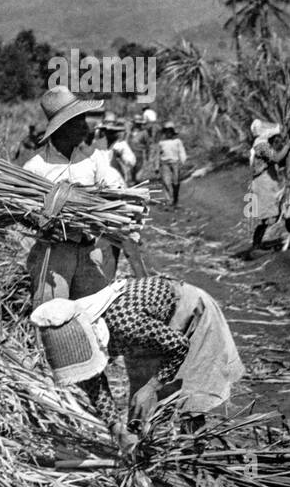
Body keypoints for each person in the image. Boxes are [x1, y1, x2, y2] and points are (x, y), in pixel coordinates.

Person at [31, 276, 244, 455]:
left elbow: (179, 345)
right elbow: (93, 381)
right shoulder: (83, 333)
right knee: (141, 408)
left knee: (190, 397)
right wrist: (115, 427)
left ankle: (194, 453)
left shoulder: (124, 324)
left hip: (189, 316)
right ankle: (145, 453)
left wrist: (152, 386)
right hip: (150, 330)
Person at [22, 87, 128, 306]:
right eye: (77, 121)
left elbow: (114, 191)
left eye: (83, 119)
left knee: (94, 313)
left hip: (89, 251)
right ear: (61, 128)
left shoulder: (94, 159)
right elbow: (24, 213)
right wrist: (42, 226)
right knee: (53, 316)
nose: (85, 126)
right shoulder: (36, 168)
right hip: (53, 256)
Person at [245, 120, 290, 257]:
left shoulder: (263, 144)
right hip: (264, 184)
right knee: (268, 218)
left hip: (269, 182)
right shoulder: (261, 145)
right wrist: (288, 145)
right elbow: (276, 158)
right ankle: (256, 246)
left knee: (285, 210)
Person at [96, 114, 138, 185]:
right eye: (107, 132)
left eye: (112, 132)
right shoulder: (98, 146)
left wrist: (120, 155)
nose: (109, 134)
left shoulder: (121, 145)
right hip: (101, 184)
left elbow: (131, 162)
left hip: (117, 183)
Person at [156, 123, 187, 207]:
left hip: (175, 162)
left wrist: (183, 161)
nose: (168, 133)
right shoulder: (161, 143)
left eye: (170, 131)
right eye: (166, 131)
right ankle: (169, 199)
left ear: (172, 132)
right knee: (166, 181)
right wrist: (156, 166)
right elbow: (158, 155)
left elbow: (181, 151)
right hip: (164, 163)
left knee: (175, 181)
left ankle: (175, 197)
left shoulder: (177, 141)